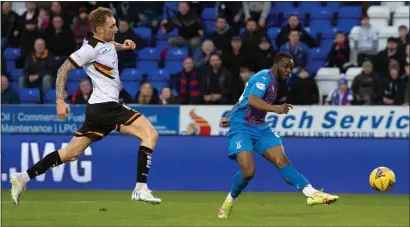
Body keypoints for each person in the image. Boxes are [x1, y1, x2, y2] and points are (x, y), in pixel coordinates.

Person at [10, 7, 161, 206]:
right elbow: (63, 69)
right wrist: (60, 100)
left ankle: (23, 178)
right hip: (106, 107)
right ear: (99, 30)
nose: (116, 28)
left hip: (98, 109)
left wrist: (122, 46)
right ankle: (141, 189)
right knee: (150, 134)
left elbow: (107, 47)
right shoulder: (89, 49)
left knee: (70, 154)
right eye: (112, 26)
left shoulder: (103, 41)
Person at [217, 52, 339, 219]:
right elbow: (252, 100)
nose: (289, 70)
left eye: (291, 68)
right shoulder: (264, 77)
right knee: (248, 172)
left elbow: (243, 98)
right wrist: (276, 108)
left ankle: (312, 193)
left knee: (282, 160)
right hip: (241, 128)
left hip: (261, 128)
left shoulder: (274, 83)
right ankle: (229, 200)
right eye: (285, 66)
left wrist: (228, 115)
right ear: (275, 65)